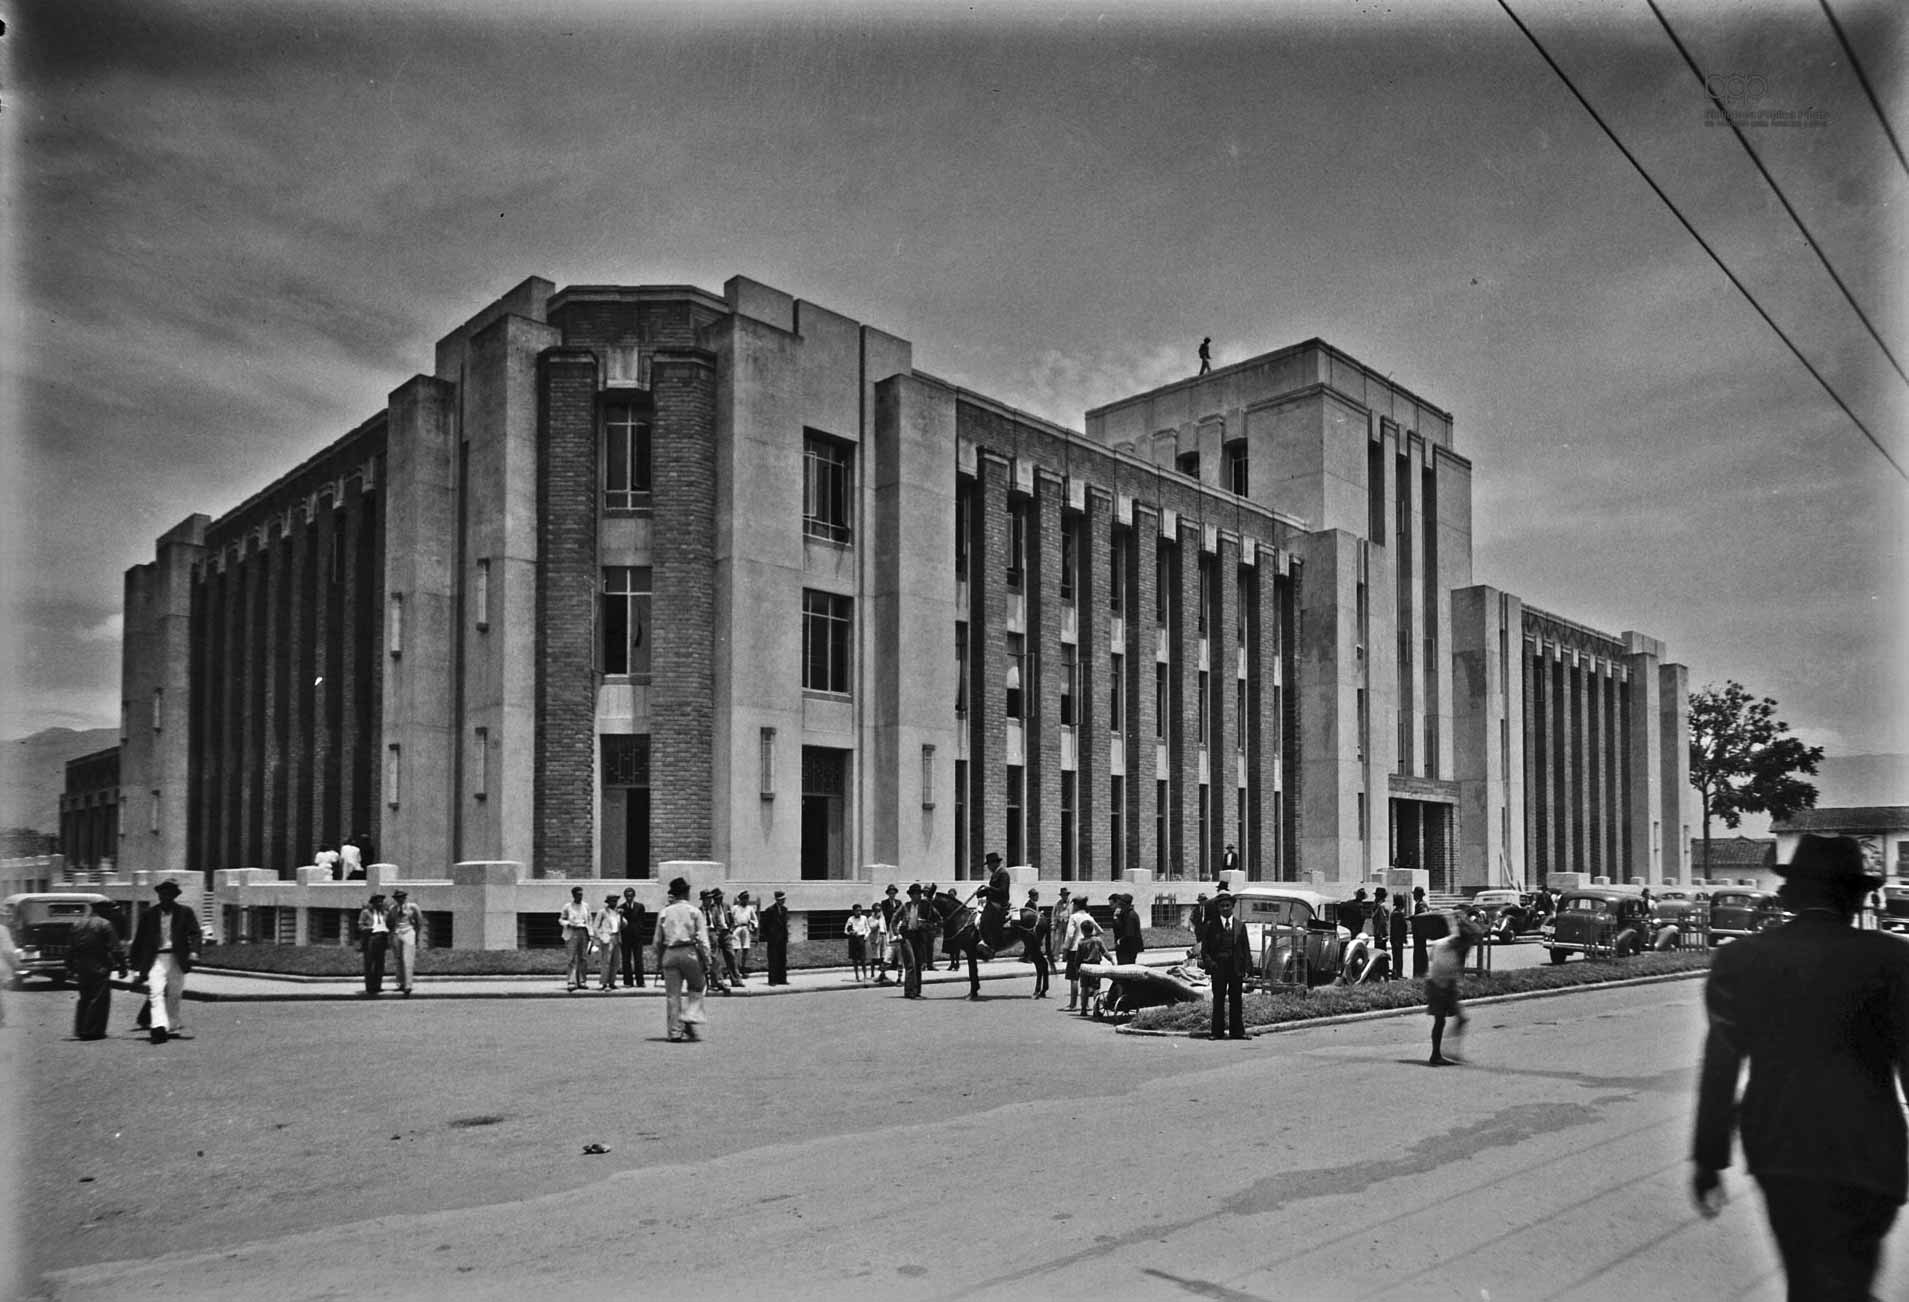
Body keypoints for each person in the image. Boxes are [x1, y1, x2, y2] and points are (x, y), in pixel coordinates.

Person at [1691, 833, 1909, 1299]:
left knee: (1807, 1277)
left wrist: (1709, 1158)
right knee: (1846, 1278)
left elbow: (1721, 1065)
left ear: (1793, 895)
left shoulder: (1742, 959)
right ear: (1857, 896)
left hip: (1782, 1151)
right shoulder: (1894, 959)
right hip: (1870, 1154)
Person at [129, 879, 202, 1044]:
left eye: (169, 894)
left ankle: (172, 1025)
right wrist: (135, 967)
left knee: (175, 994)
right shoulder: (149, 914)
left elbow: (195, 933)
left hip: (177, 958)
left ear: (174, 896)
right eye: (162, 893)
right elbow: (139, 941)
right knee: (156, 992)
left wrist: (194, 951)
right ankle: (158, 1027)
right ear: (159, 895)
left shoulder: (185, 912)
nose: (165, 897)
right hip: (156, 958)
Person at [651, 876, 710, 1042]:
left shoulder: (664, 912)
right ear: (685, 892)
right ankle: (690, 1014)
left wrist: (660, 961)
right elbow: (703, 940)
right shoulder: (694, 912)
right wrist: (707, 961)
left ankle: (675, 1032)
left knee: (672, 996)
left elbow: (657, 941)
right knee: (699, 985)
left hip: (670, 953)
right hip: (689, 952)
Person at [66, 900, 127, 1040]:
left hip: (81, 967)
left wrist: (69, 966)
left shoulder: (77, 924)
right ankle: (92, 1030)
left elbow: (70, 948)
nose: (111, 913)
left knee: (84, 997)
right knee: (98, 998)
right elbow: (116, 948)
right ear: (103, 910)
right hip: (100, 966)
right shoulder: (105, 924)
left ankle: (81, 1028)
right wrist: (122, 966)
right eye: (109, 910)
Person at [1425, 916, 1478, 1066]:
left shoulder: (1453, 946)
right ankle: (1438, 1054)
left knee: (1457, 1019)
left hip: (1446, 984)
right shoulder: (1445, 945)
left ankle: (1447, 1051)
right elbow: (1437, 964)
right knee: (1440, 1020)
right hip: (1437, 984)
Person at [1202, 888, 1251, 1040]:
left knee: (1236, 1000)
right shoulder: (1211, 926)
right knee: (1218, 1000)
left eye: (1227, 905)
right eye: (1222, 906)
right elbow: (1205, 950)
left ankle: (1238, 1032)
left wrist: (1247, 968)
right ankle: (1216, 1032)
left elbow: (1245, 949)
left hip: (1235, 968)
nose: (1225, 908)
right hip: (1219, 968)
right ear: (1218, 908)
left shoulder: (1240, 926)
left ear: (1232, 906)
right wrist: (1211, 965)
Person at [386, 888, 423, 996]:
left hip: (408, 932)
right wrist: (392, 933)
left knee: (408, 959)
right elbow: (389, 922)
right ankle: (400, 983)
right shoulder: (392, 909)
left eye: (402, 897)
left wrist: (416, 935)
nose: (400, 899)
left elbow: (419, 921)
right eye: (398, 898)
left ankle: (408, 985)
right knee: (398, 959)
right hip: (397, 933)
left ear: (405, 897)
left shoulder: (413, 907)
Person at [558, 886, 593, 993]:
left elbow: (589, 920)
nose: (580, 896)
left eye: (581, 894)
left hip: (583, 932)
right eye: (578, 894)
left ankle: (582, 981)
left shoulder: (586, 906)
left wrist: (591, 934)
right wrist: (568, 923)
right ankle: (571, 981)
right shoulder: (568, 906)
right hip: (572, 932)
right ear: (573, 895)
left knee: (583, 957)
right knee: (571, 957)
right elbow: (561, 919)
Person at [898, 883, 929, 999]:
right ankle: (910, 991)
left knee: (918, 964)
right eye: (916, 894)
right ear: (911, 895)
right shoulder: (905, 906)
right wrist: (897, 934)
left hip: (918, 936)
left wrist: (928, 926)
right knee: (911, 963)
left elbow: (937, 918)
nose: (919, 896)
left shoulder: (924, 907)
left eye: (920, 894)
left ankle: (916, 991)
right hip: (907, 937)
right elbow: (894, 920)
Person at [358, 892, 390, 996]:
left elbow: (390, 924)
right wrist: (369, 929)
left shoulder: (385, 913)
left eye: (381, 901)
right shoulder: (366, 912)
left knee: (380, 963)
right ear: (373, 903)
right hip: (371, 938)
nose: (380, 903)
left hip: (382, 938)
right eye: (377, 901)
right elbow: (360, 926)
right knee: (369, 963)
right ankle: (369, 987)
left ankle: (378, 986)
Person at [1023, 889, 1051, 999]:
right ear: (1032, 896)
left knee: (1037, 957)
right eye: (1036, 895)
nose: (1037, 897)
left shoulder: (1032, 904)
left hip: (1033, 928)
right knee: (1038, 957)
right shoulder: (1029, 904)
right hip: (1032, 926)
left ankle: (1041, 987)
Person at [760, 889, 791, 985]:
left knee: (782, 959)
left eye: (784, 899)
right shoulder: (770, 910)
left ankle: (782, 979)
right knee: (773, 959)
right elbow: (764, 925)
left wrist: (786, 937)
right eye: (781, 899)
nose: (783, 901)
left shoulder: (785, 910)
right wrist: (768, 936)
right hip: (773, 940)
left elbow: (785, 924)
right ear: (777, 900)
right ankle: (772, 980)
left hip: (782, 939)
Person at [592, 893, 622, 991]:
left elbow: (623, 924)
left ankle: (612, 982)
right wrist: (599, 937)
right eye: (612, 901)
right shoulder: (603, 912)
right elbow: (595, 926)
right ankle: (604, 983)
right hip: (606, 937)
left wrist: (622, 915)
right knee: (606, 961)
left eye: (615, 901)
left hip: (616, 937)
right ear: (608, 902)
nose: (614, 903)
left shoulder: (618, 912)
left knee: (615, 961)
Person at [618, 888, 647, 988]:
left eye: (630, 895)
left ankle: (640, 981)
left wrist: (640, 931)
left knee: (638, 959)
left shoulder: (640, 906)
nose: (629, 898)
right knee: (626, 959)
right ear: (625, 896)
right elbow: (619, 923)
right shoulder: (621, 907)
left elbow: (643, 920)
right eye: (627, 896)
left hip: (637, 937)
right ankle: (628, 981)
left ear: (634, 896)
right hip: (625, 937)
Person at [731, 890, 759, 978]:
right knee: (735, 949)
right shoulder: (735, 908)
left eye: (746, 899)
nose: (745, 901)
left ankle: (743, 968)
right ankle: (734, 970)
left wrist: (754, 926)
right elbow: (730, 918)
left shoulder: (750, 908)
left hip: (746, 928)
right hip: (737, 928)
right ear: (740, 899)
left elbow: (755, 920)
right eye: (743, 899)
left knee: (745, 949)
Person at [1113, 893, 1144, 966]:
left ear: (1125, 905)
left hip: (1128, 948)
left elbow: (1129, 934)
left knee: (1125, 967)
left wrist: (1120, 941)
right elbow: (1118, 928)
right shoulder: (1125, 914)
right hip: (1126, 947)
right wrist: (1116, 917)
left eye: (1120, 904)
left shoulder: (1130, 916)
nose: (1119, 906)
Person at [846, 903, 871, 983]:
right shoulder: (850, 919)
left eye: (860, 910)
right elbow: (846, 930)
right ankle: (857, 976)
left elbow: (868, 929)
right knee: (855, 960)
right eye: (857, 911)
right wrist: (851, 932)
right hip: (853, 939)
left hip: (861, 939)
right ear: (853, 911)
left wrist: (865, 937)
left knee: (863, 959)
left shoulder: (864, 918)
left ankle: (865, 976)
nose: (859, 912)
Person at [1388, 894, 1409, 981]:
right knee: (1398, 957)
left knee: (1397, 956)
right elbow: (1398, 928)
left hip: (1396, 939)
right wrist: (1403, 938)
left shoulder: (1395, 913)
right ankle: (1397, 974)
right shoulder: (1398, 914)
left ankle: (1397, 973)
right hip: (1397, 939)